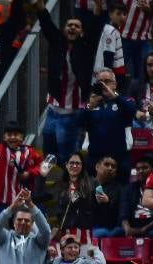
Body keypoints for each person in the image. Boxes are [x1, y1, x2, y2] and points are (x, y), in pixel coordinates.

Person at [36, 0, 101, 161]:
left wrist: (98, 7)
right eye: (69, 25)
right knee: (48, 154)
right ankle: (42, 181)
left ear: (82, 32)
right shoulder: (56, 42)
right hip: (52, 109)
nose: (72, 27)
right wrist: (38, 4)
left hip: (71, 112)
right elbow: (46, 22)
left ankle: (71, 183)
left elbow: (95, 27)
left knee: (67, 155)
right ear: (63, 29)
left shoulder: (86, 47)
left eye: (77, 26)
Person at [76, 68, 136, 179]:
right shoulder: (90, 103)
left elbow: (132, 111)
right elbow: (78, 122)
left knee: (120, 193)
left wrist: (115, 97)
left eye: (107, 81)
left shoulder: (125, 100)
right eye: (100, 82)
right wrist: (89, 106)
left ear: (115, 84)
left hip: (119, 157)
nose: (103, 84)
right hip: (95, 158)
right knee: (93, 193)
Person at [47, 152, 96, 246]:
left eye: (78, 163)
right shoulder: (60, 185)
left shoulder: (90, 183)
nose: (74, 165)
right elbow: (57, 209)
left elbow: (98, 200)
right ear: (66, 165)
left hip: (82, 231)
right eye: (71, 163)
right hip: (62, 232)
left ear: (82, 166)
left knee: (83, 259)